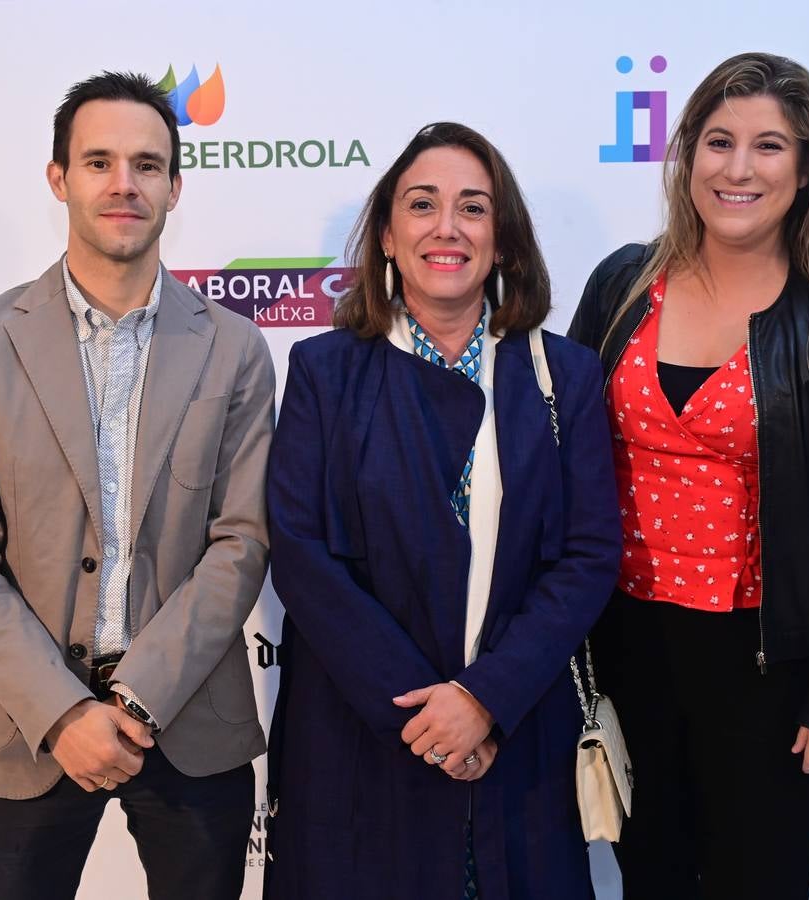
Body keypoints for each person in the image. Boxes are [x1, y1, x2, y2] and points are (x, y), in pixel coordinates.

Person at [0, 71, 274, 900]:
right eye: (99, 161)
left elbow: (242, 540)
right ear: (59, 179)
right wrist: (66, 712)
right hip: (26, 729)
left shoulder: (236, 349)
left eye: (147, 165)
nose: (124, 184)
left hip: (190, 724)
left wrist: (138, 700)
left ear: (175, 188)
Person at [568, 52, 809, 899]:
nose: (737, 168)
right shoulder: (622, 283)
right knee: (649, 877)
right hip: (627, 646)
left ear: (806, 170)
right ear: (687, 157)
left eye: (768, 146)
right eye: (717, 141)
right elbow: (561, 456)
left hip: (770, 662)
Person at [262, 122, 622, 900]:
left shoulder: (566, 376)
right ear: (388, 237)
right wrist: (430, 718)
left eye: (473, 208)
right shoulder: (325, 370)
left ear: (505, 241)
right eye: (422, 205)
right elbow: (299, 552)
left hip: (516, 734)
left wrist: (485, 699)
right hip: (363, 737)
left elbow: (589, 556)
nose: (446, 228)